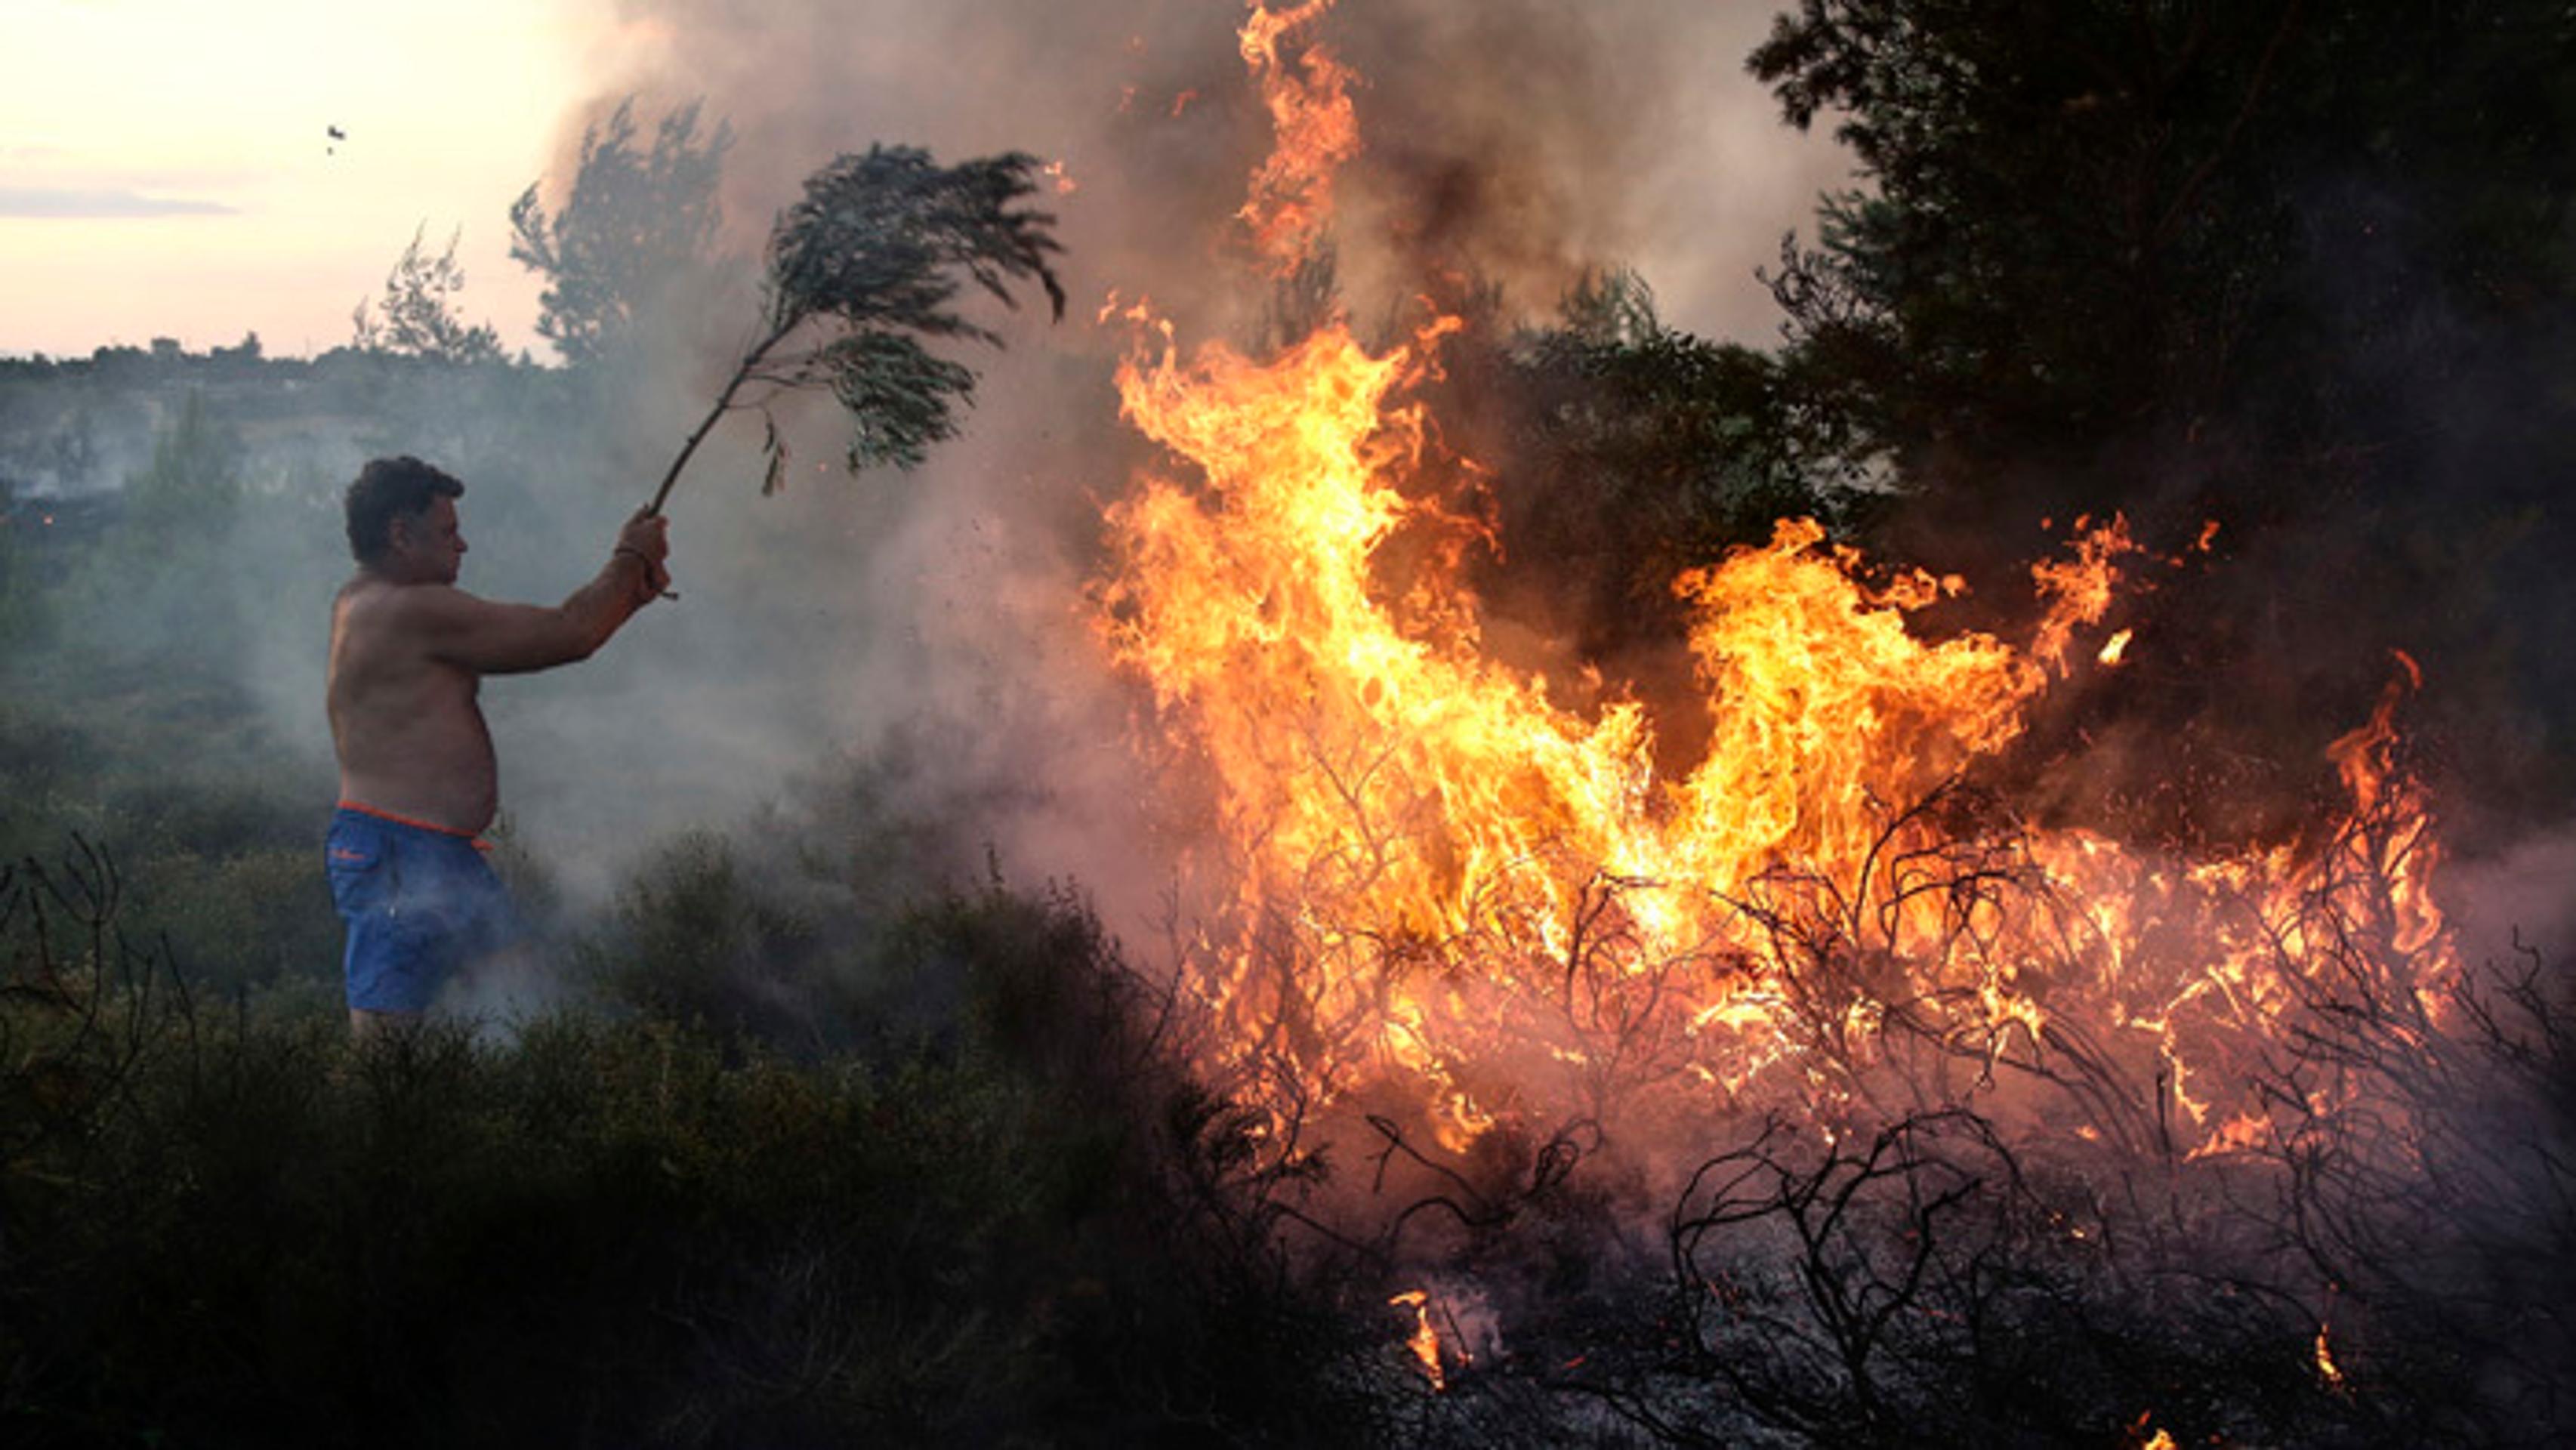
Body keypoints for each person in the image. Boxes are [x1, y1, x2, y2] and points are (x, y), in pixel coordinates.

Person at [324, 455, 670, 1038]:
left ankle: (484, 1120)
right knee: (387, 1042)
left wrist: (630, 591)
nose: (463, 546)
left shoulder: (365, 601)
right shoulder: (409, 610)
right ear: (400, 535)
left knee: (519, 1004)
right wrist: (629, 558)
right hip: (398, 856)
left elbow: (577, 630)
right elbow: (568, 634)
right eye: (448, 532)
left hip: (434, 852)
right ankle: (370, 1129)